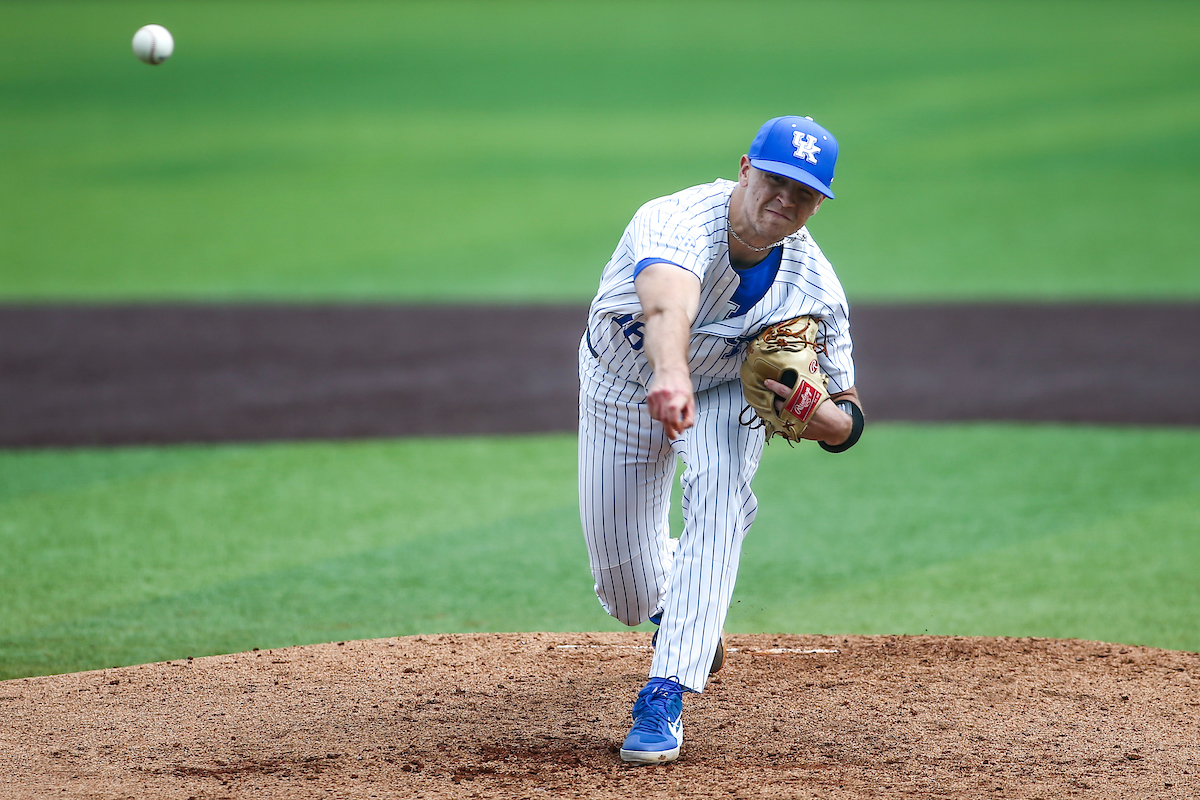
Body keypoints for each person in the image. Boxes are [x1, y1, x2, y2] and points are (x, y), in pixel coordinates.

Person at [577, 116, 863, 764]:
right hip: (623, 383)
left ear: (819, 203)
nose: (785, 201)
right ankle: (681, 602)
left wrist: (817, 415)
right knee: (626, 594)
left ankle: (666, 690)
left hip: (724, 394)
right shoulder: (676, 220)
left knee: (720, 491)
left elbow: (848, 418)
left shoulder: (814, 288)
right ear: (744, 169)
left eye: (805, 193)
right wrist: (672, 373)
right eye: (776, 180)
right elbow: (666, 307)